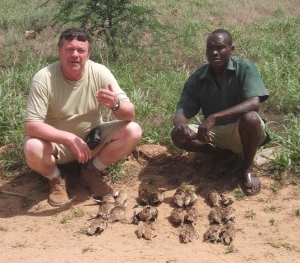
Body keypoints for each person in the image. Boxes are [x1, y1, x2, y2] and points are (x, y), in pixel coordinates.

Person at [24, 28, 142, 207]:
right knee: (32, 147)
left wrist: (115, 105)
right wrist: (69, 138)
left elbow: (130, 114)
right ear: (59, 51)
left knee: (133, 130)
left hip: (91, 141)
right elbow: (32, 126)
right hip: (57, 146)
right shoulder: (44, 78)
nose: (75, 55)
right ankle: (55, 179)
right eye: (69, 50)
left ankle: (91, 172)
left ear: (88, 54)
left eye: (81, 51)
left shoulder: (99, 72)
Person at [171, 29, 269, 196]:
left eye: (220, 47)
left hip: (241, 130)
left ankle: (246, 169)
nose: (215, 52)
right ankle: (222, 154)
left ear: (231, 49)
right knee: (177, 135)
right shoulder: (199, 77)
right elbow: (182, 109)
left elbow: (254, 103)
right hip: (215, 134)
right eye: (210, 48)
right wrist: (181, 124)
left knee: (251, 118)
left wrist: (214, 117)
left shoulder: (244, 67)